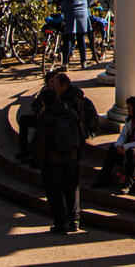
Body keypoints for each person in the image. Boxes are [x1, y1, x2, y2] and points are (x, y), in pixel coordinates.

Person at [32, 87, 83, 234]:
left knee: (55, 193)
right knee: (72, 190)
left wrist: (39, 162)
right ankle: (75, 221)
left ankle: (61, 224)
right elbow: (81, 135)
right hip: (72, 158)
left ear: (44, 102)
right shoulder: (71, 113)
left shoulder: (45, 118)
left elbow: (40, 142)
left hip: (53, 161)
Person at [16, 70, 63, 161]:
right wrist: (38, 110)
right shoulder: (45, 91)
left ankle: (36, 155)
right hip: (43, 117)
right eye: (51, 82)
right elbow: (35, 103)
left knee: (42, 128)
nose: (54, 84)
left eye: (55, 81)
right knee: (24, 120)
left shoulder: (61, 92)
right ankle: (24, 149)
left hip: (56, 121)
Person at [54, 0, 91, 68]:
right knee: (81, 37)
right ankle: (83, 61)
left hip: (71, 9)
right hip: (83, 9)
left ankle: (65, 63)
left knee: (69, 36)